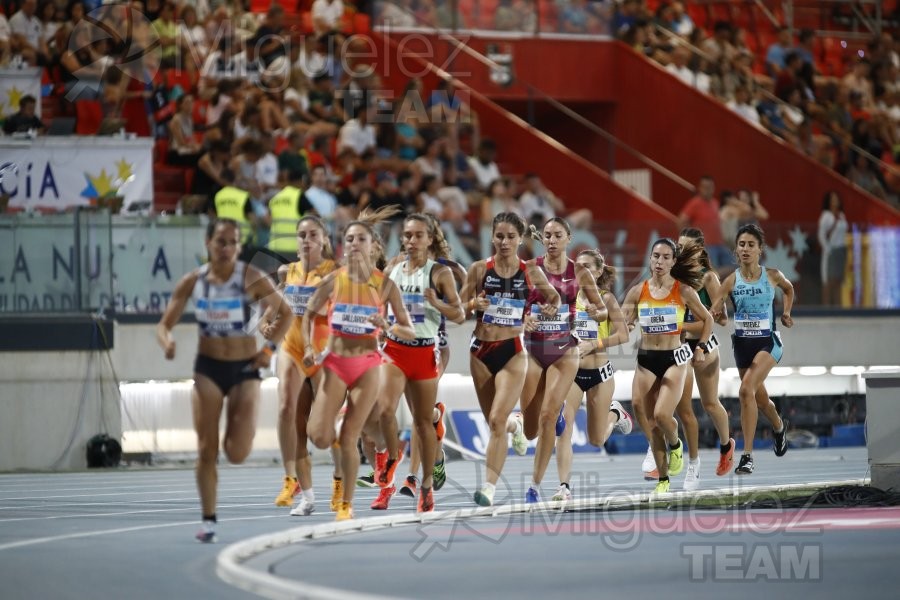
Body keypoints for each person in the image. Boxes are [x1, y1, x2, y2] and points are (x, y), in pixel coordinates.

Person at [156, 218, 293, 542]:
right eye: (221, 242)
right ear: (208, 244)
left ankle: (215, 506)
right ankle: (209, 521)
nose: (227, 248)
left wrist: (269, 350)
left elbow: (285, 312)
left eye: (233, 242)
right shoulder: (193, 281)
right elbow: (164, 325)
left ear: (238, 246)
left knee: (237, 452)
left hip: (245, 369)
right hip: (208, 368)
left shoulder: (250, 277)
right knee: (206, 449)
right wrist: (167, 343)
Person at [302, 206, 417, 521]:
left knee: (351, 435)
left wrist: (388, 324)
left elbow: (407, 328)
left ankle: (346, 505)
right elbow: (309, 314)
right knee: (320, 436)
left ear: (373, 246)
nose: (353, 244)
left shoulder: (384, 284)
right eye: (349, 239)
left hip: (368, 364)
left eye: (360, 239)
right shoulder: (333, 280)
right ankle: (378, 447)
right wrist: (311, 347)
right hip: (335, 362)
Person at [363, 214, 465, 513]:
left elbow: (458, 315)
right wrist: (380, 321)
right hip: (395, 350)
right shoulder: (394, 267)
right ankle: (391, 465)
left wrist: (437, 303)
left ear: (429, 239)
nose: (411, 241)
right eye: (407, 235)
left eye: (418, 235)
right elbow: (380, 301)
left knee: (422, 423)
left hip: (425, 353)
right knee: (384, 409)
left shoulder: (439, 274)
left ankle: (425, 488)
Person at [460, 212, 560, 507]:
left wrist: (539, 314)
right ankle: (516, 429)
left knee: (495, 419)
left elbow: (553, 299)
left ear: (520, 239)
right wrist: (471, 304)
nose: (504, 242)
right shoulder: (479, 269)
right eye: (499, 236)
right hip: (480, 351)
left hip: (512, 352)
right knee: (497, 424)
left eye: (511, 237)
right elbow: (456, 309)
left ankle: (488, 488)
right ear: (492, 237)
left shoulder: (530, 272)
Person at [520, 218, 608, 503]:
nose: (551, 240)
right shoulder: (531, 268)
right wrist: (526, 319)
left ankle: (534, 485)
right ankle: (549, 415)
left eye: (558, 235)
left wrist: (597, 314)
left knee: (547, 417)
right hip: (534, 351)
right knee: (530, 429)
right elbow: (515, 305)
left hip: (564, 352)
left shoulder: (579, 271)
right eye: (547, 235)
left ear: (569, 238)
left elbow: (602, 309)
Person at [621, 238, 713, 494]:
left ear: (673, 262)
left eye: (665, 257)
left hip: (674, 358)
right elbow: (622, 321)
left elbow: (707, 320)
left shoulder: (683, 291)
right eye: (655, 256)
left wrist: (701, 348)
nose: (659, 262)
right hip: (647, 359)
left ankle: (676, 445)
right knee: (642, 412)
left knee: (662, 415)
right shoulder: (638, 291)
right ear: (650, 259)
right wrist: (624, 324)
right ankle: (663, 479)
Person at [271, 216, 338, 515]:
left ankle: (339, 480)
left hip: (323, 351)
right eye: (301, 235)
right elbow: (279, 306)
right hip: (292, 347)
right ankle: (293, 480)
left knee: (325, 427)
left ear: (324, 239)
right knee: (288, 410)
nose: (307, 239)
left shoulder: (334, 271)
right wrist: (267, 322)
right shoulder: (287, 271)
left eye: (313, 234)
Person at [553, 249, 632, 502]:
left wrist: (595, 344)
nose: (581, 271)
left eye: (587, 267)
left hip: (600, 373)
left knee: (596, 440)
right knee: (563, 427)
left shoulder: (607, 299)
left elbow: (623, 336)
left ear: (598, 271)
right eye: (578, 267)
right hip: (573, 372)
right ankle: (564, 487)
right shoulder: (568, 297)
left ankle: (616, 413)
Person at [716, 224, 794, 475]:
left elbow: (789, 289)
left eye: (751, 245)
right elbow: (716, 312)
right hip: (742, 346)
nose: (746, 249)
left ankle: (747, 456)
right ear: (736, 251)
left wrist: (787, 312)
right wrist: (719, 315)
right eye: (741, 245)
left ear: (760, 249)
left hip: (767, 343)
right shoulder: (730, 280)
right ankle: (779, 425)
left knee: (745, 390)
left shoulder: (772, 275)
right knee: (759, 399)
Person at [666, 228, 735, 490]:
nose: (681, 251)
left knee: (709, 402)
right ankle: (688, 463)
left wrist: (696, 320)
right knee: (682, 407)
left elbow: (722, 319)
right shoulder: (672, 276)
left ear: (699, 250)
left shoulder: (708, 277)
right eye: (678, 246)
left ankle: (726, 444)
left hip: (705, 345)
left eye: (686, 247)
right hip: (680, 346)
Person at [677, 175, 731, 270]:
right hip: (706, 246)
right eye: (705, 187)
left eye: (710, 187)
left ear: (713, 188)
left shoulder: (715, 203)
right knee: (711, 271)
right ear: (700, 188)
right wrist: (690, 242)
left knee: (732, 266)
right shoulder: (694, 203)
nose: (707, 190)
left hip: (720, 244)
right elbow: (681, 221)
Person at [818, 191, 848, 307]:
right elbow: (821, 235)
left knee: (838, 281)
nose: (835, 201)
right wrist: (827, 248)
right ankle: (827, 308)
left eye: (837, 199)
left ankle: (838, 307)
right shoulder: (826, 216)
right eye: (833, 199)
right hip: (831, 251)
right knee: (828, 280)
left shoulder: (842, 215)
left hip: (841, 250)